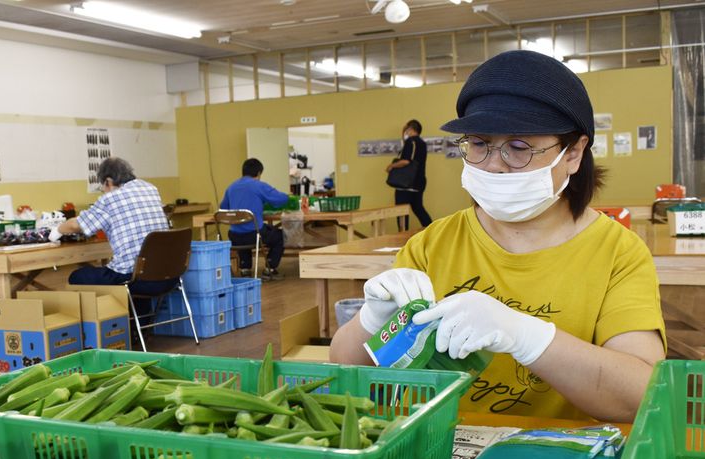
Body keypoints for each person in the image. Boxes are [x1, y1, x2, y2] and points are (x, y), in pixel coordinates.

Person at [331, 50, 665, 423]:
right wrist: (373, 320)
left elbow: (642, 396)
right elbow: (345, 370)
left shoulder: (618, 253)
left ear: (573, 153)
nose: (493, 163)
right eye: (478, 144)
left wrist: (527, 336)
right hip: (441, 456)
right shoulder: (432, 245)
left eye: (518, 148)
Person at [49, 157, 169, 285]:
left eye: (102, 187)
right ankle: (136, 305)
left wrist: (56, 231)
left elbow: (75, 225)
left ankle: (116, 304)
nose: (104, 191)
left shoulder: (111, 198)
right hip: (166, 273)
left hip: (133, 277)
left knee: (78, 276)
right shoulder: (150, 188)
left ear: (108, 181)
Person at [220, 158, 289, 281]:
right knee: (282, 236)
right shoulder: (259, 185)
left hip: (234, 236)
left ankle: (245, 268)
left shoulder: (231, 187)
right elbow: (280, 199)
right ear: (258, 173)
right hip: (254, 235)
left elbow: (223, 208)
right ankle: (270, 268)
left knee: (242, 230)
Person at [386, 119, 430, 231]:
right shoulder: (422, 143)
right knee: (419, 209)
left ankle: (402, 237)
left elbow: (406, 161)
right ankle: (432, 231)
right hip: (419, 183)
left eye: (405, 129)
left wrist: (391, 166)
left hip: (406, 184)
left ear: (410, 129)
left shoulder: (410, 142)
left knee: (401, 212)